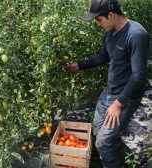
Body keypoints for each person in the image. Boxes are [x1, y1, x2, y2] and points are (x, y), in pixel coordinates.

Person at [65, 0, 150, 167]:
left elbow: (138, 76)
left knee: (103, 143)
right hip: (110, 91)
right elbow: (105, 56)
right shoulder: (110, 32)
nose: (97, 24)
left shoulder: (136, 35)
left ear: (111, 15)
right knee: (97, 132)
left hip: (126, 95)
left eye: (98, 20)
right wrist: (80, 65)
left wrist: (118, 104)